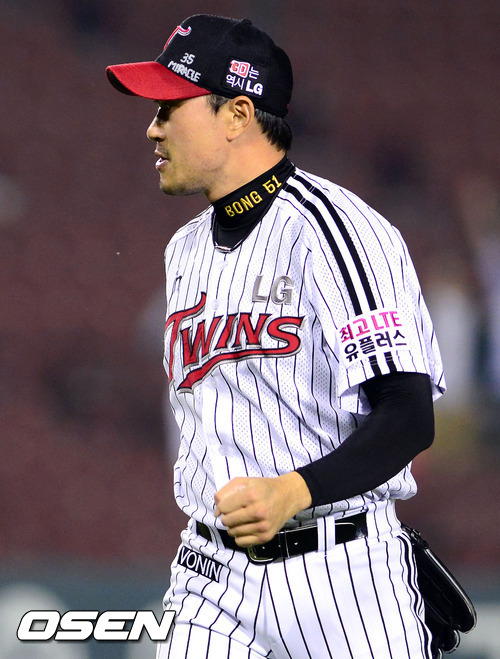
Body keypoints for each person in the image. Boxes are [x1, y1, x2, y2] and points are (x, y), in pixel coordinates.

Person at [106, 14, 445, 658]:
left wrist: (292, 491)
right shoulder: (184, 251)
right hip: (210, 575)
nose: (153, 128)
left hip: (340, 575)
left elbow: (408, 417)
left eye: (170, 107)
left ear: (237, 114)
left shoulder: (337, 231)